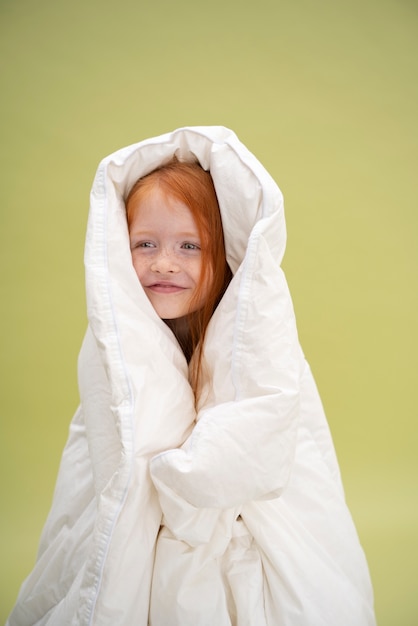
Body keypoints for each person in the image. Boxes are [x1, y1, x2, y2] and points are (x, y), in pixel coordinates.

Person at [7, 126, 376, 626]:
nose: (164, 263)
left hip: (240, 505)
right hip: (148, 497)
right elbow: (116, 440)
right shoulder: (114, 341)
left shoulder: (251, 336)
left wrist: (186, 478)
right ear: (118, 249)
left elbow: (258, 429)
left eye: (189, 246)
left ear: (222, 255)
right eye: (145, 244)